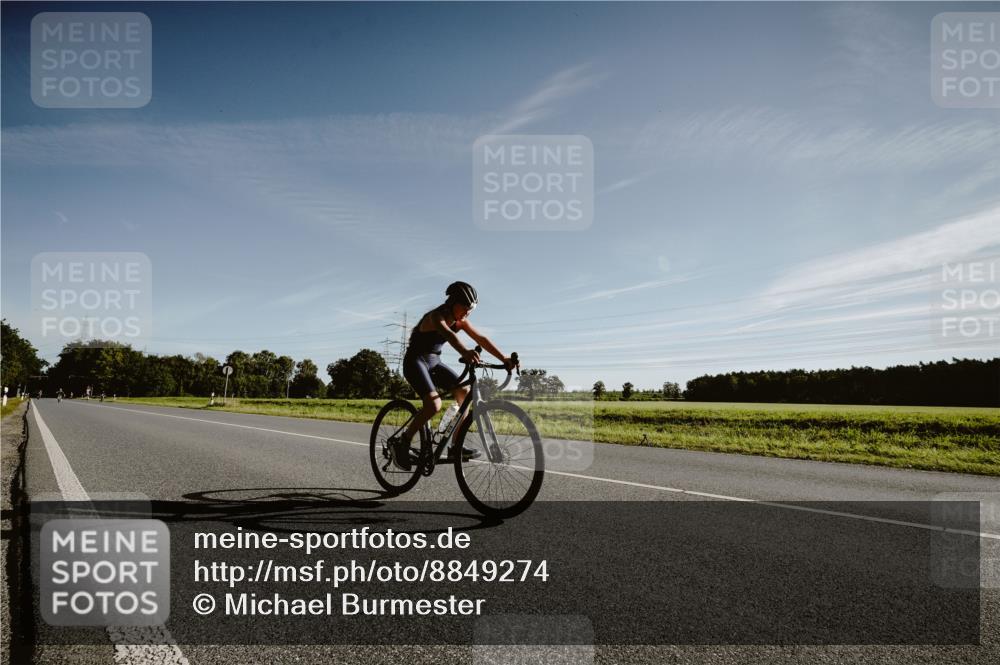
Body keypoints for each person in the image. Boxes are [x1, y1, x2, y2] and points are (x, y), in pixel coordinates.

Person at [391, 281, 517, 470]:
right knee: (434, 405)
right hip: (415, 361)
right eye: (465, 308)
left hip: (434, 362)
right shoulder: (436, 317)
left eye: (470, 310)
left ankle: (455, 446)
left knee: (464, 393)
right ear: (452, 303)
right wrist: (465, 352)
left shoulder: (461, 321)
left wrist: (504, 357)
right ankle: (403, 442)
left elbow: (481, 339)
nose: (467, 313)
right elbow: (450, 336)